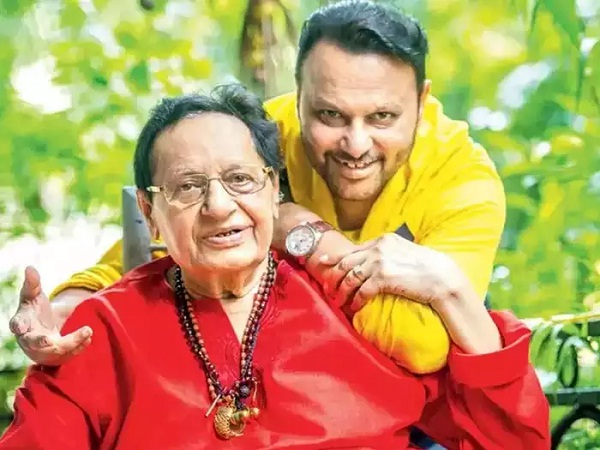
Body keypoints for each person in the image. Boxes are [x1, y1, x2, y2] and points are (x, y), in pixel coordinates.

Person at [0, 85, 549, 450]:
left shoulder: (353, 300)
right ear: (150, 214)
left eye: (241, 179)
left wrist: (453, 291)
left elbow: (509, 441)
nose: (219, 206)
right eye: (188, 187)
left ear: (273, 190)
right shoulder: (99, 334)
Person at [10, 1, 506, 375]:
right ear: (297, 94)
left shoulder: (464, 180)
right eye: (329, 115)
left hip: (415, 405)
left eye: (382, 117)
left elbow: (423, 345)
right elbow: (153, 245)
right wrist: (67, 309)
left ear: (421, 99)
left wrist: (302, 234)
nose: (356, 144)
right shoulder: (257, 140)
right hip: (276, 378)